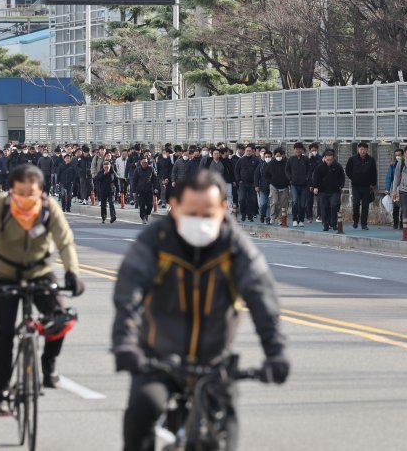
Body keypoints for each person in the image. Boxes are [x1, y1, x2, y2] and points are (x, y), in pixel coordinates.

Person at [112, 170, 288, 451]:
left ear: (223, 208)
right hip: (159, 360)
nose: (200, 220)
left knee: (226, 433)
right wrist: (124, 343)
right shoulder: (155, 240)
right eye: (191, 212)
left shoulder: (234, 246)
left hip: (215, 364)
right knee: (140, 416)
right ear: (175, 205)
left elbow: (262, 298)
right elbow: (129, 295)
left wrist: (275, 353)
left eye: (208, 213)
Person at [0, 164, 84, 415]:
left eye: (31, 192)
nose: (26, 198)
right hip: (5, 275)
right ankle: (1, 392)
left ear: (41, 190)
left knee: (61, 317)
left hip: (40, 273)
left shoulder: (48, 208)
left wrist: (72, 272)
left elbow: (65, 241)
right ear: (11, 190)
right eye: (20, 192)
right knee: (4, 334)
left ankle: (48, 362)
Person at [345, 142, 378, 230]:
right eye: (361, 149)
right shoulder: (352, 159)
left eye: (364, 149)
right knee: (356, 204)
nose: (363, 151)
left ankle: (364, 224)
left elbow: (374, 172)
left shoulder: (371, 160)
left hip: (367, 186)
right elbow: (347, 170)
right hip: (356, 186)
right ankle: (355, 220)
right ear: (358, 150)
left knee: (365, 206)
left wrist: (373, 184)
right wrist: (353, 178)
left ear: (367, 150)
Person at [312, 150, 346, 232]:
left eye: (331, 160)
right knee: (324, 207)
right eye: (327, 160)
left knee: (335, 205)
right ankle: (325, 224)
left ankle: (334, 223)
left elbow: (342, 177)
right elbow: (315, 178)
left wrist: (341, 186)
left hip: (334, 191)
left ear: (333, 159)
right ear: (324, 159)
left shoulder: (337, 166)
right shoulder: (320, 167)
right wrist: (315, 187)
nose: (329, 162)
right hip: (322, 191)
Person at [285, 143, 310, 226]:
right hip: (294, 185)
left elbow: (309, 171)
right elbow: (287, 170)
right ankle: (295, 219)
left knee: (303, 203)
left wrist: (307, 178)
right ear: (294, 150)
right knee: (295, 201)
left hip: (304, 185)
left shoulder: (306, 159)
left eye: (300, 149)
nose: (298, 150)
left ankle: (301, 220)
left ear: (302, 150)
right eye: (296, 149)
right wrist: (290, 179)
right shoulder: (291, 159)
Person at [265, 148, 290, 225]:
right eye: (277, 155)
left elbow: (289, 173)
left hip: (284, 186)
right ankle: (272, 217)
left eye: (280, 155)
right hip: (273, 186)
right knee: (274, 202)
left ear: (282, 155)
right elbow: (266, 174)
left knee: (283, 204)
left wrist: (288, 181)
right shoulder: (271, 164)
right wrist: (270, 182)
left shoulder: (286, 163)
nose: (278, 157)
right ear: (274, 155)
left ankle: (280, 219)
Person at [234, 146, 258, 222]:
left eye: (250, 151)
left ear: (252, 151)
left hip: (252, 183)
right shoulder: (241, 160)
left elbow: (258, 172)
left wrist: (256, 182)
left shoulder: (256, 160)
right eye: (247, 150)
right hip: (243, 183)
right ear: (245, 151)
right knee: (242, 199)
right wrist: (239, 180)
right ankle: (243, 214)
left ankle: (250, 215)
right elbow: (236, 170)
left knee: (252, 200)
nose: (248, 152)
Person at [133, 158, 158, 225]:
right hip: (140, 191)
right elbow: (134, 181)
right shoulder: (137, 170)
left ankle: (147, 214)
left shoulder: (151, 169)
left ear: (147, 163)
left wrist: (155, 188)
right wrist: (134, 191)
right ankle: (143, 217)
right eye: (143, 162)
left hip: (149, 190)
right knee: (142, 205)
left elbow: (155, 179)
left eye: (146, 162)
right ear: (141, 163)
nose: (144, 164)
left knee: (150, 205)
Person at [384, 148, 403, 229]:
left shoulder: (406, 164)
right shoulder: (392, 166)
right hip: (395, 189)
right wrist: (387, 189)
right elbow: (389, 177)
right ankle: (396, 222)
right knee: (396, 206)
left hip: (405, 188)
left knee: (405, 207)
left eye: (399, 155)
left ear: (403, 155)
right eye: (396, 155)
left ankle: (403, 223)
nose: (398, 157)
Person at [255, 150, 273, 224]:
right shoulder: (261, 165)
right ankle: (262, 215)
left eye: (269, 157)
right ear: (264, 157)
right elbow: (256, 176)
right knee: (262, 203)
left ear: (272, 157)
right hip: (263, 187)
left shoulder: (274, 165)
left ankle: (268, 218)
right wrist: (256, 185)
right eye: (266, 157)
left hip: (272, 188)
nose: (267, 158)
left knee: (269, 204)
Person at [306, 143, 322, 222]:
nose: (314, 151)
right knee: (309, 200)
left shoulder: (320, 158)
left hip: (318, 182)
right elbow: (306, 171)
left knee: (320, 199)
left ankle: (319, 216)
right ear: (309, 151)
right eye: (312, 150)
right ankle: (309, 216)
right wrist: (309, 159)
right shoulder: (307, 159)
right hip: (309, 182)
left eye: (315, 150)